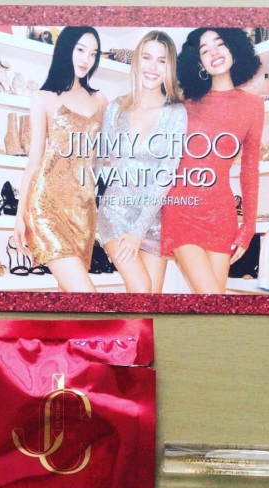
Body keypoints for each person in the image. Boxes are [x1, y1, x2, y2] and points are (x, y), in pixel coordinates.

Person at [161, 28, 264, 294]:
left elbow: (250, 169)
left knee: (214, 305)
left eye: (219, 44)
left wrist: (249, 226)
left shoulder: (254, 106)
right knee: (211, 297)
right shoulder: (185, 104)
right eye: (205, 50)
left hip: (221, 213)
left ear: (234, 48)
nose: (214, 53)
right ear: (199, 63)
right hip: (181, 208)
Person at [13, 26, 107, 292]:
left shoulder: (100, 100)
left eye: (93, 53)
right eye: (80, 50)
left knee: (71, 295)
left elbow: (104, 157)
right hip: (47, 205)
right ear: (65, 48)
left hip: (83, 209)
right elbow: (34, 161)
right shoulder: (43, 98)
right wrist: (20, 216)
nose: (86, 59)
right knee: (86, 296)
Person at [96, 31, 187, 293]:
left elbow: (166, 175)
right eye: (146, 57)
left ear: (169, 67)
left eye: (162, 60)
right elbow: (101, 162)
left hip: (153, 219)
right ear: (137, 61)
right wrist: (91, 206)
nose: (152, 67)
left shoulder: (176, 113)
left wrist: (139, 230)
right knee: (141, 288)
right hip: (116, 213)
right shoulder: (115, 108)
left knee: (151, 301)